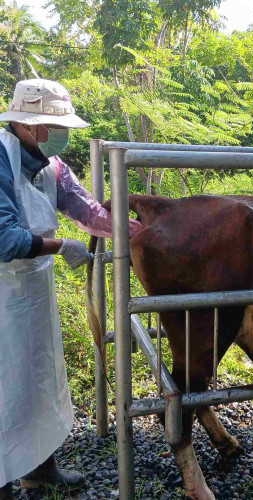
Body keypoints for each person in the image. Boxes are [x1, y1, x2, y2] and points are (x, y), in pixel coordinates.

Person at [0, 79, 142, 499]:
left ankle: (38, 469)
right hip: (3, 291)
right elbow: (4, 240)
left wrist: (136, 234)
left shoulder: (52, 165)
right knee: (6, 382)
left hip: (33, 288)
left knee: (37, 377)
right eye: (51, 125)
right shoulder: (0, 160)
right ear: (26, 125)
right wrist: (61, 245)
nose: (58, 134)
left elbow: (85, 209)